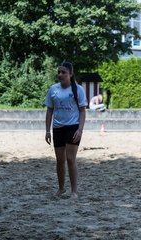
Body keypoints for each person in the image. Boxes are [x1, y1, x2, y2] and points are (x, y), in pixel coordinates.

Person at [45, 61, 87, 199]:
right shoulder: (53, 90)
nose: (60, 74)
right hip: (58, 128)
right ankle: (61, 188)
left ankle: (74, 191)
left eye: (64, 72)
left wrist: (80, 129)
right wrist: (47, 130)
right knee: (59, 160)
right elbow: (49, 111)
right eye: (59, 72)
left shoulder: (78, 89)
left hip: (73, 127)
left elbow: (82, 111)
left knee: (70, 159)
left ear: (70, 74)